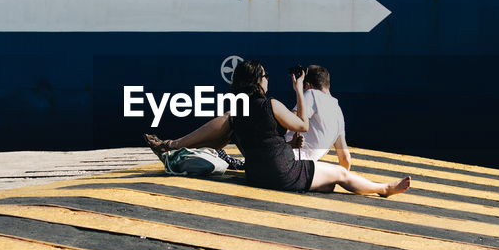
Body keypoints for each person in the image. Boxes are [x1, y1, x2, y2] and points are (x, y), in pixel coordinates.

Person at [144, 59, 409, 196]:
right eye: (266, 76)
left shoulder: (236, 111)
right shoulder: (271, 105)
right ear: (259, 81)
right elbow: (303, 126)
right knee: (340, 173)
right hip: (283, 173)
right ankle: (383, 189)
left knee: (326, 185)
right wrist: (297, 90)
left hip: (256, 174)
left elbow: (241, 139)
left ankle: (171, 145)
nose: (268, 80)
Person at [290, 64, 351, 168]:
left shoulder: (311, 94)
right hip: (305, 170)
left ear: (307, 85)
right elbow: (345, 159)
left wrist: (299, 91)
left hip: (285, 159)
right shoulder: (338, 113)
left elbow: (289, 121)